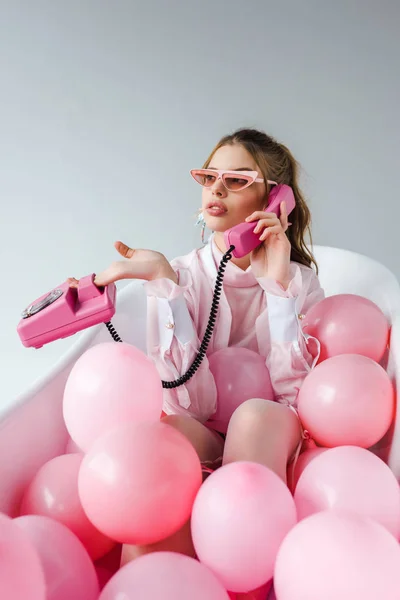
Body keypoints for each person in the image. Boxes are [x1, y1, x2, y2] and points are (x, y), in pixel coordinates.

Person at [69, 128, 324, 586]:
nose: (217, 189)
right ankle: (147, 585)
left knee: (252, 417)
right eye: (209, 176)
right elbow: (191, 407)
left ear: (276, 199)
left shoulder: (299, 282)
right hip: (209, 432)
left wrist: (278, 288)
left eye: (238, 180)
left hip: (270, 428)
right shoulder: (182, 275)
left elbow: (297, 394)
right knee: (160, 439)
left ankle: (247, 582)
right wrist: (165, 288)